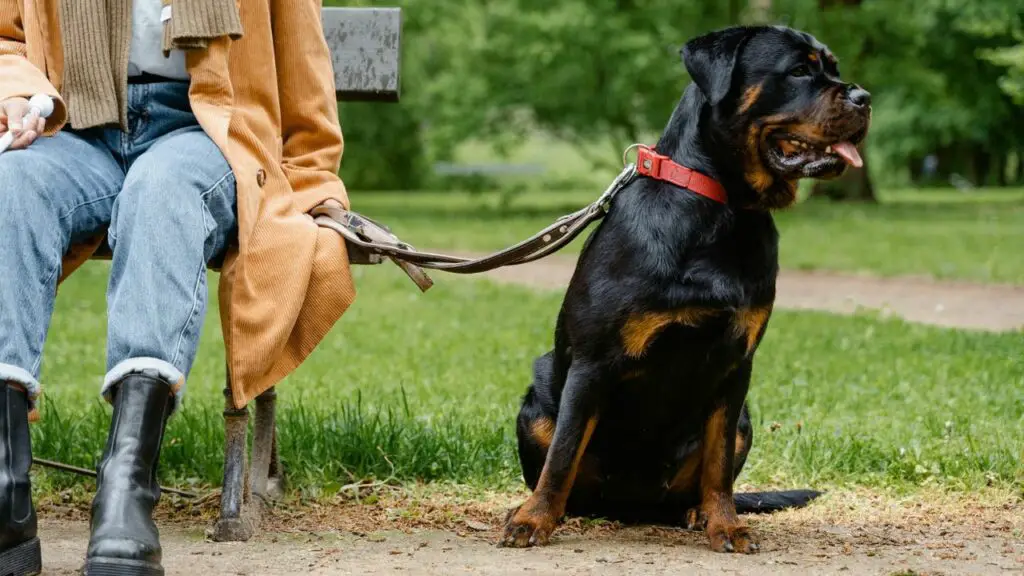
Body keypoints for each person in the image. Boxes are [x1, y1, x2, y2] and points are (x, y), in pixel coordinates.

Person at [0, 1, 357, 574]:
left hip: (206, 127)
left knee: (161, 193)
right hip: (79, 123)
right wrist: (14, 93)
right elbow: (7, 40)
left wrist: (317, 185)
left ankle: (126, 490)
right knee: (10, 184)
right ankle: (4, 485)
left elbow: (302, 64)